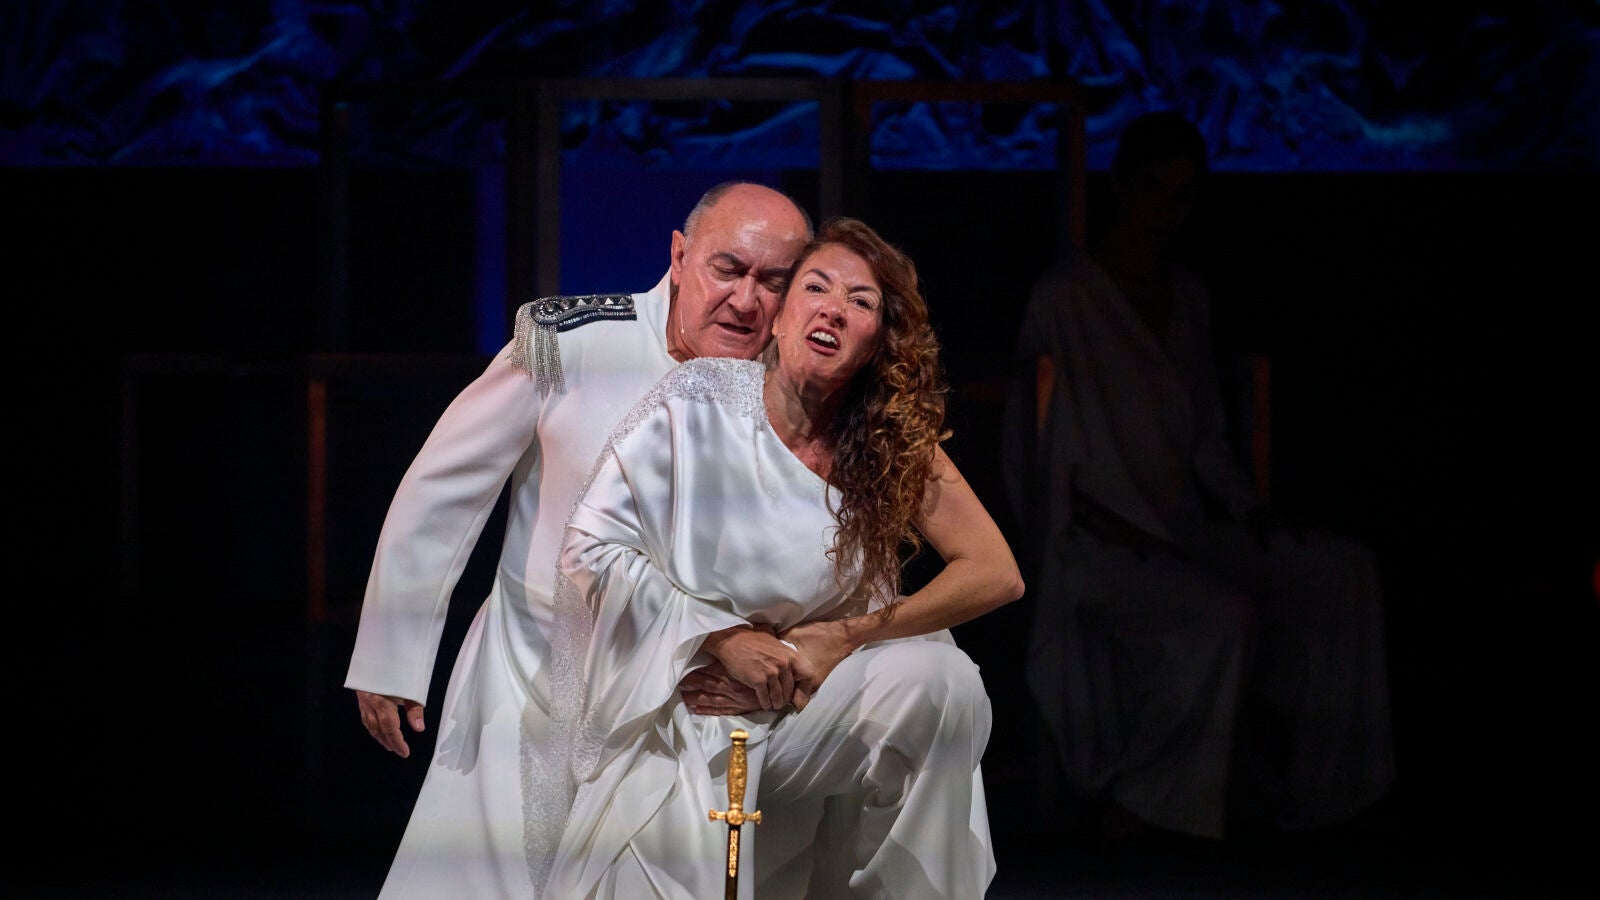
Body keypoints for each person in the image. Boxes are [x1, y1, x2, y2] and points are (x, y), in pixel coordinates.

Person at [345, 181, 812, 897]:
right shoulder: (571, 342)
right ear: (680, 256)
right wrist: (391, 653)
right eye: (729, 269)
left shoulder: (793, 389)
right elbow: (444, 489)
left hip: (680, 705)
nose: (747, 301)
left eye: (774, 282)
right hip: (528, 674)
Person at [538, 218, 1025, 898]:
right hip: (689, 706)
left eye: (860, 302)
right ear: (781, 313)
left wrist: (841, 637)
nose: (834, 310)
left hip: (801, 705)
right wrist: (722, 638)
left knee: (945, 684)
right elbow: (589, 548)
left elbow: (996, 573)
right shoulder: (697, 402)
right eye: (816, 287)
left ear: (880, 340)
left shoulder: (887, 441)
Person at [1002, 111, 1395, 840]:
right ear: (1122, 187)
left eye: (1181, 195)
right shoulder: (1067, 297)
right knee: (1219, 613)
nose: (1164, 211)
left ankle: (1329, 795)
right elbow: (1039, 455)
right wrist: (1109, 529)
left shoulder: (1186, 297)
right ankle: (1147, 806)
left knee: (1340, 572)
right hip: (1094, 544)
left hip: (1178, 525)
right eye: (1152, 189)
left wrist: (1250, 511)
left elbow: (1206, 435)